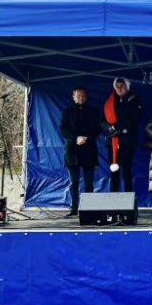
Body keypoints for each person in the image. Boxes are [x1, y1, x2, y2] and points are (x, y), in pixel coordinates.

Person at [59, 86, 100, 216]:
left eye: (83, 96)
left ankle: (88, 208)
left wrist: (87, 138)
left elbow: (98, 129)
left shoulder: (93, 112)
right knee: (74, 182)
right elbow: (63, 129)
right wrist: (75, 138)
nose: (80, 98)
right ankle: (73, 208)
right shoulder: (67, 112)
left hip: (89, 149)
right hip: (72, 150)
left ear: (86, 97)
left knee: (89, 182)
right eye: (78, 96)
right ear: (73, 97)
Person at [101, 77, 142, 192]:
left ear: (127, 87)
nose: (119, 88)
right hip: (112, 141)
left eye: (121, 85)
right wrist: (109, 128)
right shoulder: (109, 101)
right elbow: (102, 120)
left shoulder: (133, 99)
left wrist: (116, 127)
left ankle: (128, 199)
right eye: (117, 86)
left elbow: (132, 118)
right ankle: (113, 199)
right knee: (113, 171)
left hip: (126, 141)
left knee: (126, 171)